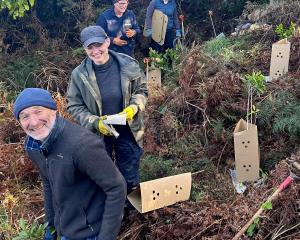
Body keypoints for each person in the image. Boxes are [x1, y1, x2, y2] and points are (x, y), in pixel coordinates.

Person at [13, 88, 126, 240]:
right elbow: (49, 183)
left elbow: (116, 187)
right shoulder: (34, 146)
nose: (33, 122)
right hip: (65, 229)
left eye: (38, 111)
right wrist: (51, 226)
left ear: (54, 110)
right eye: (24, 116)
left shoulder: (82, 145)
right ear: (19, 122)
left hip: (91, 232)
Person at [67, 26, 148, 195]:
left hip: (128, 130)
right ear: (85, 49)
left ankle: (131, 210)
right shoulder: (79, 75)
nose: (96, 51)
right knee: (103, 177)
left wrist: (134, 107)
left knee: (130, 175)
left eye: (99, 45)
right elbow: (74, 106)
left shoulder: (128, 64)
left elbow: (142, 90)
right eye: (90, 47)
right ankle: (110, 211)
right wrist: (95, 122)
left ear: (107, 42)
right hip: (98, 135)